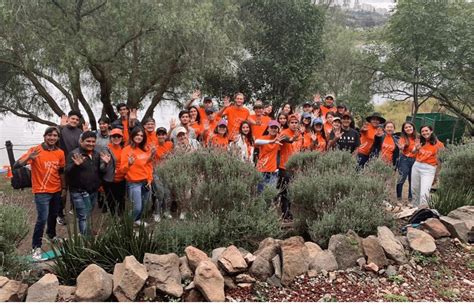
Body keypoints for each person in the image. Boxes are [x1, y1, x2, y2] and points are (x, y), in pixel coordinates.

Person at [15, 127, 65, 261]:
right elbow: (16, 165)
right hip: (41, 191)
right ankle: (36, 246)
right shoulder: (35, 150)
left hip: (56, 189)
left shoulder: (60, 152)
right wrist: (28, 159)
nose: (52, 138)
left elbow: (60, 171)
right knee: (42, 219)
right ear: (44, 136)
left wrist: (63, 188)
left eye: (55, 136)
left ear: (58, 138)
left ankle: (52, 235)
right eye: (49, 135)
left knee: (53, 215)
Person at [65, 131, 111, 235]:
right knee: (83, 216)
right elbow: (67, 172)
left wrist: (106, 164)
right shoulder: (74, 154)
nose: (91, 144)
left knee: (88, 213)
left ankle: (86, 231)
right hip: (79, 191)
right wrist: (75, 165)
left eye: (93, 141)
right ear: (81, 141)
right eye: (88, 141)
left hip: (93, 190)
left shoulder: (96, 153)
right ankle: (85, 237)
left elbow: (101, 171)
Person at [120, 126, 154, 226]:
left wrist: (149, 179)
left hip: (145, 181)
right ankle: (127, 224)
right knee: (137, 207)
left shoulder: (145, 149)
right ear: (132, 135)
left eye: (141, 135)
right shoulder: (126, 150)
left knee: (145, 205)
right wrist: (129, 164)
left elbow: (148, 166)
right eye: (137, 135)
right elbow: (122, 170)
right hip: (134, 183)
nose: (139, 137)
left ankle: (136, 220)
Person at [57, 110, 84, 225]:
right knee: (63, 190)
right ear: (68, 119)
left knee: (75, 188)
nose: (75, 121)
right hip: (63, 165)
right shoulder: (61, 129)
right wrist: (60, 126)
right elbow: (52, 136)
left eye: (77, 120)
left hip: (76, 165)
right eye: (73, 118)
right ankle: (60, 214)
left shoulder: (80, 131)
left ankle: (74, 209)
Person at [410, 126, 444, 208]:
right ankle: (415, 209)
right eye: (423, 131)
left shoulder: (439, 144)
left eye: (426, 131)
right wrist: (416, 148)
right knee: (414, 189)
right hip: (417, 166)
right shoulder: (420, 142)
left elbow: (440, 161)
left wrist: (436, 175)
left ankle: (423, 210)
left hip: (429, 169)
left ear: (431, 131)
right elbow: (413, 152)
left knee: (424, 192)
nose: (425, 133)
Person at [277, 115, 302, 220]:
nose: (294, 124)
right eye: (292, 122)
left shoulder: (300, 135)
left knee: (292, 191)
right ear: (288, 123)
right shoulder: (284, 133)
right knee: (285, 192)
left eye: (296, 122)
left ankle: (290, 212)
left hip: (295, 167)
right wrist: (292, 139)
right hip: (285, 166)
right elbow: (285, 140)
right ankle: (285, 213)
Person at [255, 120, 284, 193]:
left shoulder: (279, 138)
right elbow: (256, 142)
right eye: (272, 127)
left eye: (275, 128)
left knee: (270, 194)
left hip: (272, 171)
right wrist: (271, 141)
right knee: (260, 193)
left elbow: (290, 139)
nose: (273, 129)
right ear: (268, 129)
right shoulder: (263, 138)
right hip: (261, 170)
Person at [103, 128, 126, 216]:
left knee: (121, 201)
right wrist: (106, 164)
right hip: (110, 180)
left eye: (119, 136)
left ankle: (121, 220)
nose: (116, 138)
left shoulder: (124, 149)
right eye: (114, 136)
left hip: (122, 179)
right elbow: (102, 167)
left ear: (122, 137)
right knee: (111, 201)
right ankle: (113, 220)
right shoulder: (106, 149)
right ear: (110, 137)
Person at [152, 127, 174, 222]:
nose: (161, 136)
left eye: (163, 134)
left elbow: (173, 155)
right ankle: (156, 213)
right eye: (159, 134)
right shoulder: (153, 145)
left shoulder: (170, 144)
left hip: (167, 171)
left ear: (166, 135)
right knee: (159, 193)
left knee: (168, 193)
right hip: (157, 172)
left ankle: (166, 211)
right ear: (156, 136)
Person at [396, 121, 418, 205]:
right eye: (406, 127)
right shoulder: (402, 138)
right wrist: (402, 147)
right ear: (404, 130)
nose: (408, 128)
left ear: (413, 127)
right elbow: (401, 147)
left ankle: (410, 199)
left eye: (410, 127)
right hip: (404, 160)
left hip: (416, 160)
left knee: (412, 180)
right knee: (401, 179)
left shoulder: (418, 137)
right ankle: (399, 198)